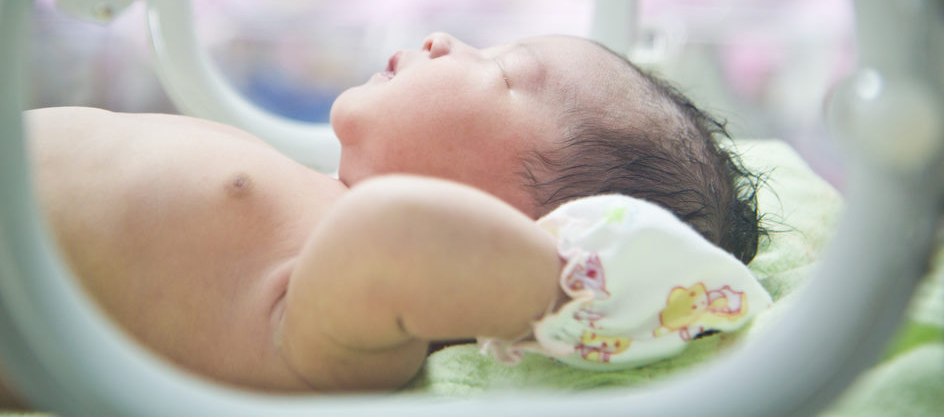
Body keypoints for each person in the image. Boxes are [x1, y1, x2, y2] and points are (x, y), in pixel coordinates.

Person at [1, 32, 764, 407]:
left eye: (501, 71)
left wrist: (566, 280)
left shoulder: (360, 336)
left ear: (518, 224)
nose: (443, 40)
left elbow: (399, 236)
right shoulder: (312, 197)